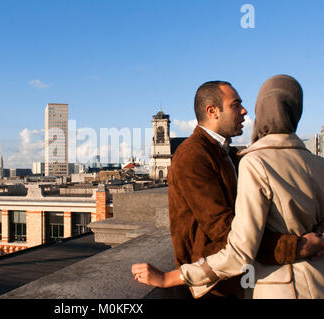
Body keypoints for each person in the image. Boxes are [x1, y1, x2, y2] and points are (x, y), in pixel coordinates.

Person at [132, 75, 324, 298]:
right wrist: (295, 246)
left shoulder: (228, 153)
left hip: (236, 279)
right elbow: (227, 233)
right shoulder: (192, 155)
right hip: (213, 288)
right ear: (212, 111)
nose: (244, 111)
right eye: (236, 105)